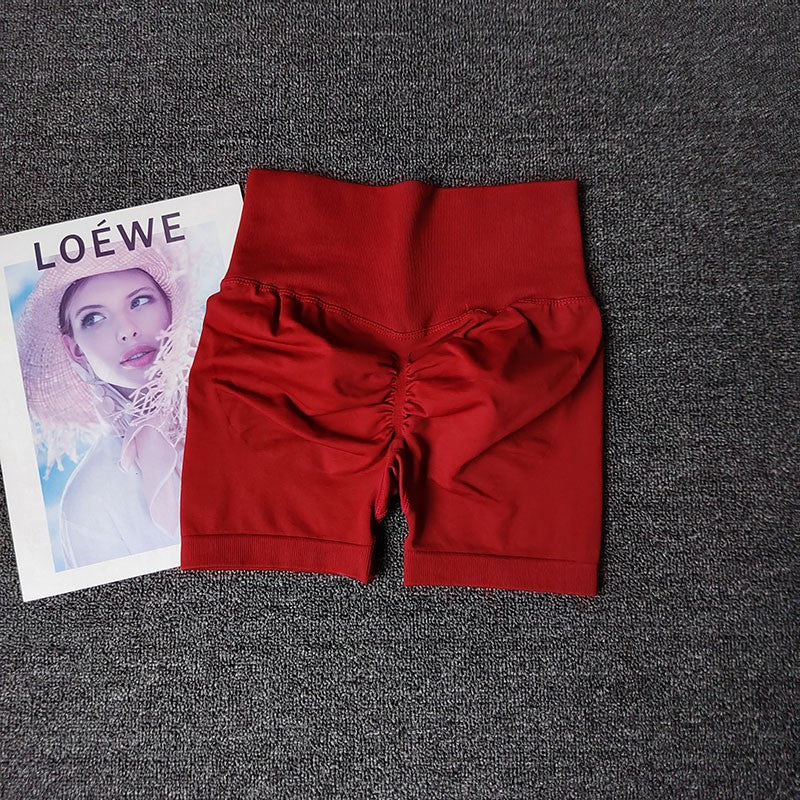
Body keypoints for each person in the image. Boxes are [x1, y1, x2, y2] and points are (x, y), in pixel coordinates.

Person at [15, 245, 197, 569]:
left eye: (139, 301)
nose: (127, 330)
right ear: (74, 349)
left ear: (170, 306)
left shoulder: (248, 402)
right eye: (94, 318)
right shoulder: (88, 500)